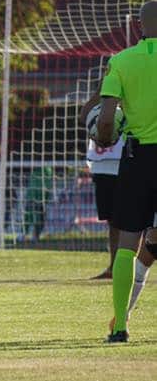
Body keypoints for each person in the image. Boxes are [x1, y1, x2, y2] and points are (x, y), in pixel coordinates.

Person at [97, 0, 157, 343]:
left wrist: (106, 134)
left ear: (139, 24)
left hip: (138, 160)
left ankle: (120, 326)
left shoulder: (121, 61)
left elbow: (106, 120)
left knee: (127, 245)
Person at [79, 79, 127, 278]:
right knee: (113, 220)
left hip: (127, 163)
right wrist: (102, 88)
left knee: (133, 220)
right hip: (103, 165)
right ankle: (114, 267)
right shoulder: (102, 94)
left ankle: (132, 268)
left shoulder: (133, 93)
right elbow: (84, 115)